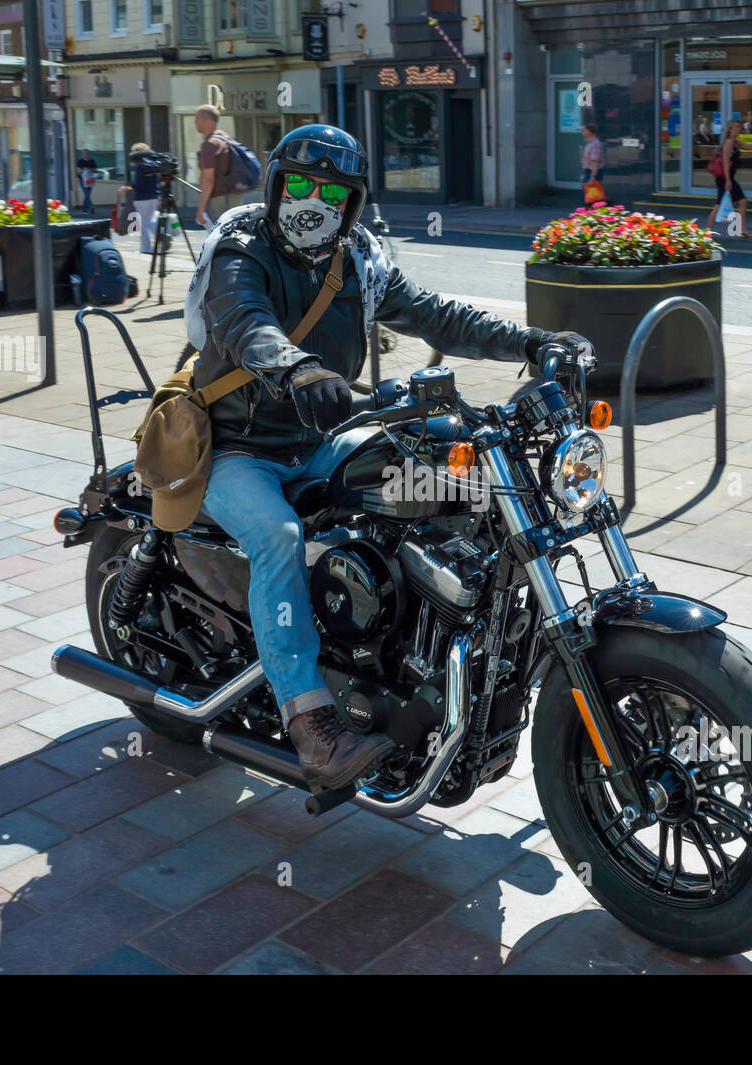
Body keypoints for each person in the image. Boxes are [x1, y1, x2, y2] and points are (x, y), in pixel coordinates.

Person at [173, 124, 593, 791]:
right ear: (279, 184)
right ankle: (312, 724)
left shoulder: (358, 259)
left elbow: (437, 315)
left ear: (351, 202)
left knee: (442, 482)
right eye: (302, 185)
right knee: (279, 536)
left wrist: (533, 341)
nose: (314, 200)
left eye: (331, 191)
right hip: (233, 448)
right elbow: (242, 317)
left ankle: (412, 652)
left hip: (318, 440)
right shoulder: (241, 244)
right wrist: (296, 367)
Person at [194, 104, 242, 229]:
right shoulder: (226, 138)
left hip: (219, 199)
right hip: (234, 195)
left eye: (197, 119)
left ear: (207, 120)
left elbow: (208, 179)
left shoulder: (210, 144)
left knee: (218, 236)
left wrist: (201, 209)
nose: (195, 123)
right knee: (234, 233)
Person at [706, 119, 752, 237]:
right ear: (731, 129)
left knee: (740, 202)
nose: (739, 129)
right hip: (724, 179)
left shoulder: (735, 142)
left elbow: (750, 147)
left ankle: (741, 230)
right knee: (722, 204)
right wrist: (728, 180)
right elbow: (725, 163)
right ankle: (706, 232)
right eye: (737, 127)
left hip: (728, 178)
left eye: (740, 127)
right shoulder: (729, 143)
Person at [128, 141, 160, 254]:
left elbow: (139, 185)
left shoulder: (140, 166)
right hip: (153, 197)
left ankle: (146, 248)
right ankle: (162, 236)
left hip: (141, 198)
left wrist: (131, 187)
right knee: (151, 220)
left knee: (141, 224)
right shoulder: (154, 165)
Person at [580, 123, 605, 195]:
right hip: (589, 172)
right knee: (590, 196)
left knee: (591, 197)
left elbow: (595, 162)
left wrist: (592, 177)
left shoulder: (595, 144)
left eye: (584, 130)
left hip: (592, 173)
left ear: (589, 131)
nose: (582, 132)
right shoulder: (590, 143)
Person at [75, 149, 97, 213]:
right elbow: (78, 171)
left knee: (87, 194)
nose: (85, 154)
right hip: (82, 180)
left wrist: (90, 169)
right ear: (82, 154)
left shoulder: (92, 161)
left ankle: (84, 209)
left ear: (88, 154)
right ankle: (91, 207)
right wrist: (83, 170)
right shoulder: (80, 161)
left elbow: (95, 170)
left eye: (86, 153)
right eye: (84, 153)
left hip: (90, 180)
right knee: (86, 193)